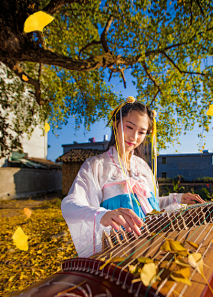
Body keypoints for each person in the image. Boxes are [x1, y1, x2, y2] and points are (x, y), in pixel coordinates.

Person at [61, 97, 204, 256]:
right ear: (116, 125)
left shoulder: (142, 166)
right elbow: (70, 203)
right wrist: (102, 215)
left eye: (142, 132)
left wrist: (174, 199)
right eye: (129, 127)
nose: (134, 137)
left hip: (153, 242)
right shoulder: (96, 165)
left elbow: (149, 205)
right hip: (120, 250)